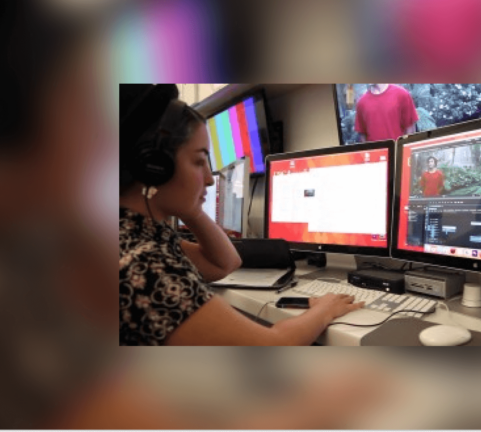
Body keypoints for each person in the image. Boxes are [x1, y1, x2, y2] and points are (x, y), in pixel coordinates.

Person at [120, 84, 364, 346]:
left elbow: (222, 265)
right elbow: (271, 345)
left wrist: (190, 206)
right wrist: (325, 309)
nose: (209, 179)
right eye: (199, 161)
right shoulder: (142, 264)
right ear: (155, 167)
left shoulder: (141, 232)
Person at [354, 84, 419, 142]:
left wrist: (403, 152)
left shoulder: (401, 94)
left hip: (397, 152)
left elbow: (410, 129)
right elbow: (362, 136)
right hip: (375, 154)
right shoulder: (361, 103)